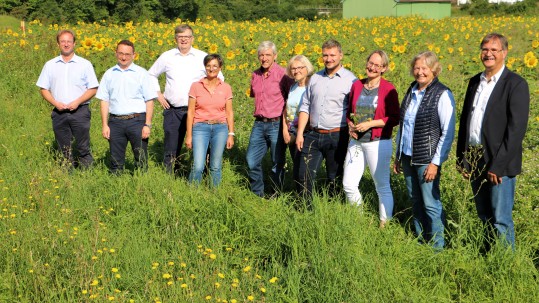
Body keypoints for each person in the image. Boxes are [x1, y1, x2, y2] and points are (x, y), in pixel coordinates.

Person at [456, 33, 530, 250]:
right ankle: (488, 256)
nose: (488, 54)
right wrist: (463, 158)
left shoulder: (516, 84)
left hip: (500, 163)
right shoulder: (474, 82)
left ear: (504, 53)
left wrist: (497, 166)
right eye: (485, 49)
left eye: (494, 50)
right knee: (484, 215)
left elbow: (516, 130)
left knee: (501, 219)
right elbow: (466, 122)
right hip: (475, 156)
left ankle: (506, 265)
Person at [394, 51, 455, 250]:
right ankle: (421, 240)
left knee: (430, 203)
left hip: (426, 159)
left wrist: (435, 162)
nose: (420, 72)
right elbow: (404, 125)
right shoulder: (412, 90)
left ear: (434, 70)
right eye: (417, 68)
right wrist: (398, 155)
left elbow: (447, 131)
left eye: (424, 68)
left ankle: (438, 247)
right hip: (408, 156)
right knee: (415, 200)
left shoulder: (442, 93)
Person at [148, 24, 223, 175]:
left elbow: (219, 78)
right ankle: (170, 178)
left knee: (201, 146)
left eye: (187, 37)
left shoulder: (202, 57)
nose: (184, 40)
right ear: (175, 38)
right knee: (171, 146)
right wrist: (158, 94)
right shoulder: (167, 56)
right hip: (173, 110)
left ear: (192, 38)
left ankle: (203, 176)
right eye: (180, 37)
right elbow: (150, 74)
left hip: (198, 111)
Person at [343, 50, 400, 227]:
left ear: (384, 68)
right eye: (370, 63)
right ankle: (360, 218)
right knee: (348, 184)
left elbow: (395, 118)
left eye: (377, 65)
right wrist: (350, 126)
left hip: (378, 142)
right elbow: (349, 112)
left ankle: (385, 223)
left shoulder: (388, 89)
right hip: (356, 141)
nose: (372, 67)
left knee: (381, 185)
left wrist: (370, 124)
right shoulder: (357, 86)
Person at [295, 39, 357, 201]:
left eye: (332, 55)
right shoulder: (315, 78)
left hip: (336, 135)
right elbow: (305, 106)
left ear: (341, 55)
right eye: (325, 55)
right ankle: (304, 211)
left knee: (334, 177)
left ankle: (333, 208)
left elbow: (355, 110)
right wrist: (300, 133)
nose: (328, 59)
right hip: (313, 134)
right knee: (304, 175)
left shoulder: (351, 80)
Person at [36, 29, 98, 169]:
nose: (66, 44)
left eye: (69, 41)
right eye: (62, 41)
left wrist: (77, 102)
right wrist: (55, 103)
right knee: (63, 149)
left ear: (74, 43)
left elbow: (93, 88)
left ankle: (86, 176)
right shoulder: (50, 65)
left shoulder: (84, 64)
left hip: (80, 111)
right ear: (58, 44)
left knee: (83, 147)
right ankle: (66, 179)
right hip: (59, 112)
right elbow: (43, 89)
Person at [97, 40, 156, 174]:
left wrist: (148, 124)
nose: (124, 57)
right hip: (115, 122)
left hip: (137, 121)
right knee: (115, 161)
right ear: (116, 53)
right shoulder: (109, 74)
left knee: (140, 158)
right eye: (121, 53)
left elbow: (149, 101)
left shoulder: (142, 73)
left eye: (128, 54)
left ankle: (142, 187)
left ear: (134, 55)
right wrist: (105, 125)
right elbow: (104, 101)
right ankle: (115, 188)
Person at [246, 41, 293, 197]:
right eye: (261, 55)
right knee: (251, 160)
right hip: (259, 123)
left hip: (276, 124)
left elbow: (291, 99)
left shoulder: (283, 74)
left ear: (275, 56)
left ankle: (275, 193)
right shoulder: (255, 75)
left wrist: (288, 124)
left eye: (268, 55)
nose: (264, 58)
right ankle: (257, 193)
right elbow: (254, 94)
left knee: (277, 162)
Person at [185, 54, 235, 187]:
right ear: (205, 67)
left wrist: (231, 134)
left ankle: (215, 194)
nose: (211, 69)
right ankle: (193, 194)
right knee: (198, 165)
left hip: (220, 128)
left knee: (216, 166)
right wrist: (189, 135)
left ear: (220, 68)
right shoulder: (196, 86)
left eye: (215, 66)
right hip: (200, 127)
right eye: (208, 66)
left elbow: (229, 112)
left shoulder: (226, 87)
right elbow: (190, 112)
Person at [282, 55, 315, 186]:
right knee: (296, 168)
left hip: (305, 134)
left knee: (304, 171)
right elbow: (286, 109)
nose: (296, 71)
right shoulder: (293, 87)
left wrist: (299, 132)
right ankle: (298, 198)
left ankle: (305, 201)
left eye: (299, 68)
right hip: (291, 133)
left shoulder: (312, 87)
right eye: (293, 68)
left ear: (307, 68)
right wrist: (285, 130)